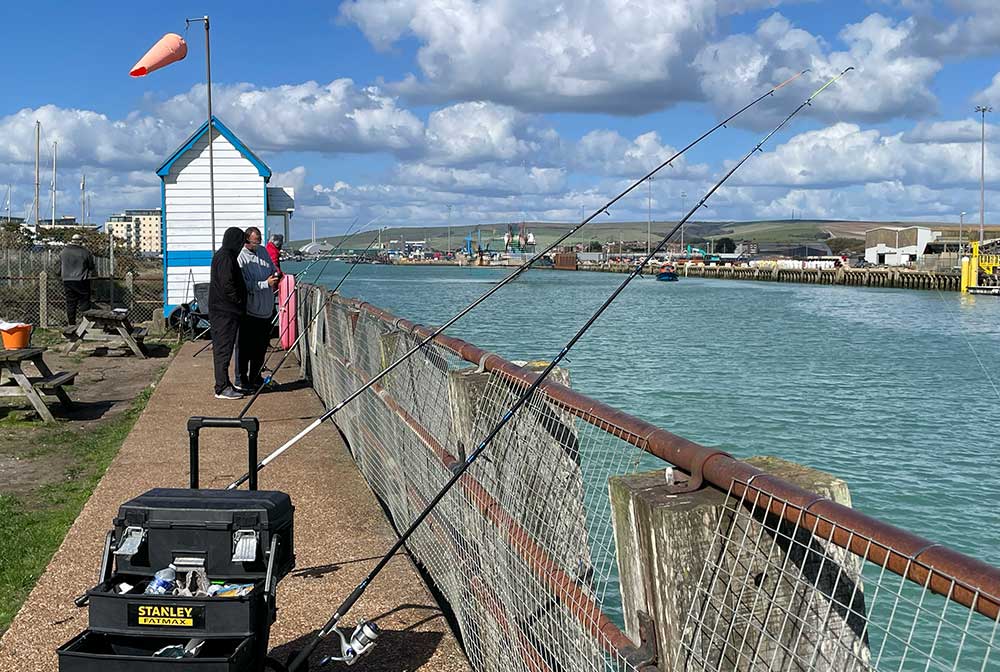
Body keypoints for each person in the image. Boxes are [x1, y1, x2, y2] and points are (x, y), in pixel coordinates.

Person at [237, 227, 279, 392]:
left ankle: (256, 377)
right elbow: (244, 285)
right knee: (246, 348)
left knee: (260, 349)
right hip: (250, 311)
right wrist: (264, 284)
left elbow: (272, 269)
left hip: (266, 309)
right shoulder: (241, 258)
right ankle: (242, 380)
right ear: (247, 240)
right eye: (256, 241)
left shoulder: (263, 251)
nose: (258, 243)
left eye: (260, 240)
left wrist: (276, 275)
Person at [209, 227, 247, 400]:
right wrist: (238, 299)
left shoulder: (224, 255)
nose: (241, 246)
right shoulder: (225, 257)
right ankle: (222, 387)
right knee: (223, 350)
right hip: (225, 311)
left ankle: (225, 384)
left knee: (224, 349)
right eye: (240, 241)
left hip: (225, 311)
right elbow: (227, 283)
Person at [59, 233, 96, 326]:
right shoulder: (85, 252)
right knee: (85, 302)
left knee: (70, 303)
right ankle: (85, 324)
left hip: (67, 280)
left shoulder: (63, 251)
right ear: (81, 242)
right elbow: (91, 266)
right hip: (81, 279)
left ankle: (71, 324)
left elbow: (58, 265)